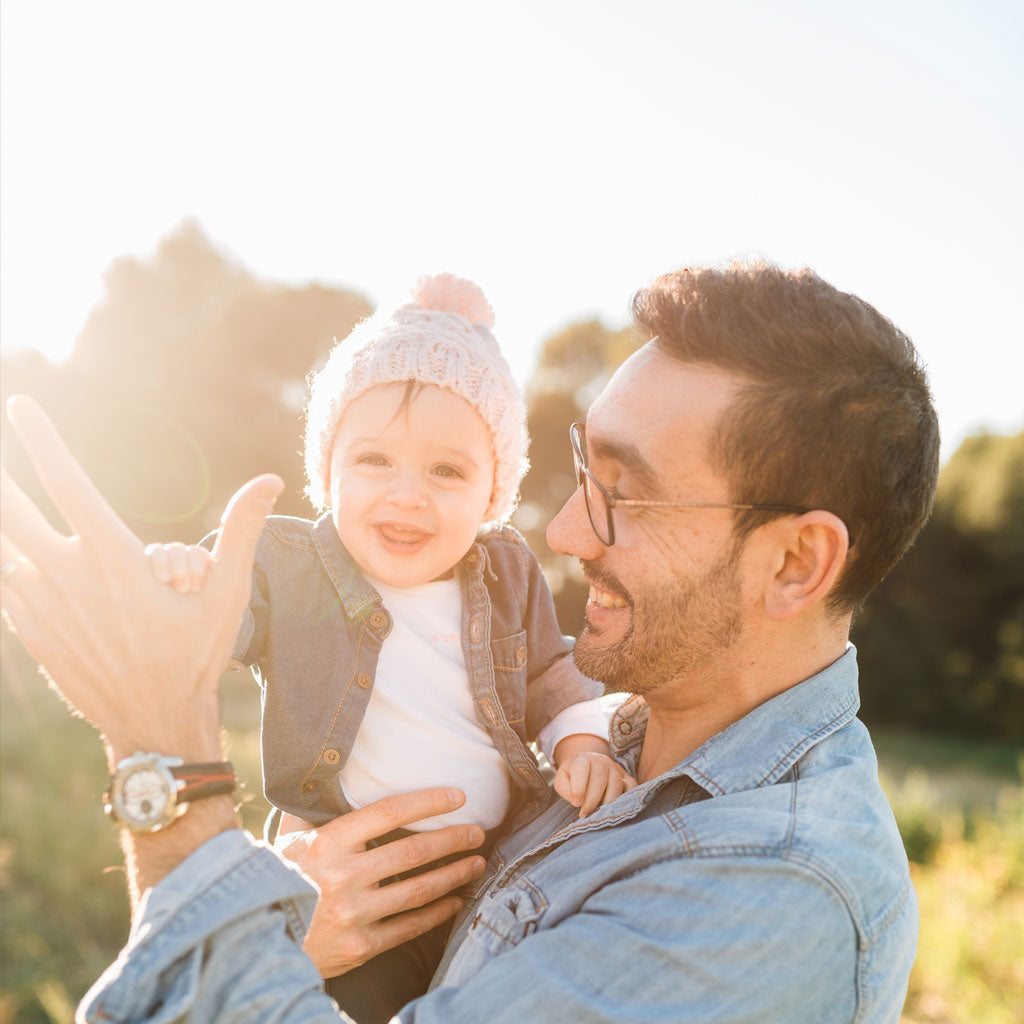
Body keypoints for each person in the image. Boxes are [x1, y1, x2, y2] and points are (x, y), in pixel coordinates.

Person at [0, 259, 939, 1023]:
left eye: (627, 491)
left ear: (794, 564)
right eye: (582, 468)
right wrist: (289, 929)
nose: (566, 532)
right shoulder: (616, 739)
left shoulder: (768, 896)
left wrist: (164, 755)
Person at [141, 273, 629, 1020]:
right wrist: (184, 582)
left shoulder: (505, 572)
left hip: (491, 870)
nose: (407, 495)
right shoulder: (290, 565)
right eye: (374, 461)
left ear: (492, 491)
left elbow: (550, 674)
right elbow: (214, 623)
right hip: (356, 879)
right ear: (327, 469)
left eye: (446, 471)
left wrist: (581, 747)